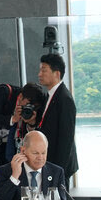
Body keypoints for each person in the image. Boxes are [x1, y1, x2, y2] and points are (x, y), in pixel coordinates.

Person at [0, 130, 67, 200]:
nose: (40, 157)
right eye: (35, 153)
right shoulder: (7, 170)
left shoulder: (56, 172)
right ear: (23, 151)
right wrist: (14, 176)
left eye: (43, 153)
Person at [37, 53, 78, 186]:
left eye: (44, 70)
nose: (39, 74)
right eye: (40, 70)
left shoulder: (64, 98)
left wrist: (57, 170)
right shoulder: (50, 95)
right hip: (50, 164)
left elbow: (66, 138)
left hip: (59, 166)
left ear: (57, 73)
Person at [4, 83, 47, 161]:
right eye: (27, 104)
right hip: (15, 159)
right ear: (20, 97)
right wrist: (14, 119)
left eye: (33, 106)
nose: (28, 108)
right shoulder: (14, 107)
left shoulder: (40, 115)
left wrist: (32, 123)